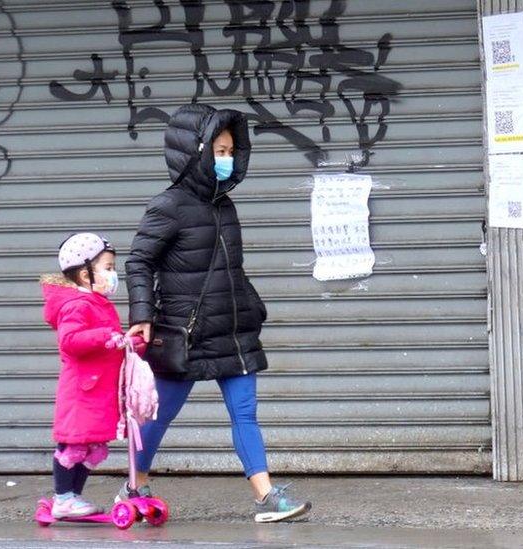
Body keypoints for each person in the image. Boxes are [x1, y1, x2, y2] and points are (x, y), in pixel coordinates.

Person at [121, 103, 311, 523]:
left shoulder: (226, 206)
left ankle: (266, 495)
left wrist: (250, 306)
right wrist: (142, 313)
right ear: (196, 152)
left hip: (233, 328)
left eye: (230, 151)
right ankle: (134, 484)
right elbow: (138, 262)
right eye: (218, 151)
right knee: (158, 417)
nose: (225, 160)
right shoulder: (167, 206)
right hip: (185, 334)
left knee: (245, 413)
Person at [40, 233, 134, 518]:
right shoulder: (78, 305)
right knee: (73, 445)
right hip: (81, 393)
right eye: (108, 268)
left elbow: (111, 341)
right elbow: (70, 341)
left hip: (96, 391)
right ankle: (63, 498)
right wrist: (107, 336)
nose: (114, 274)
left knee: (89, 447)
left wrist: (129, 341)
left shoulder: (96, 302)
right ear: (85, 275)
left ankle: (73, 498)